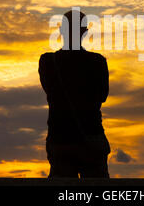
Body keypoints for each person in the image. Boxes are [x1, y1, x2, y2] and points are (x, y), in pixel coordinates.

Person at [38, 9, 110, 178]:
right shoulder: (98, 62)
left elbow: (50, 91)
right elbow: (102, 96)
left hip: (60, 137)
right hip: (91, 135)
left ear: (61, 30)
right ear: (85, 33)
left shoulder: (47, 62)